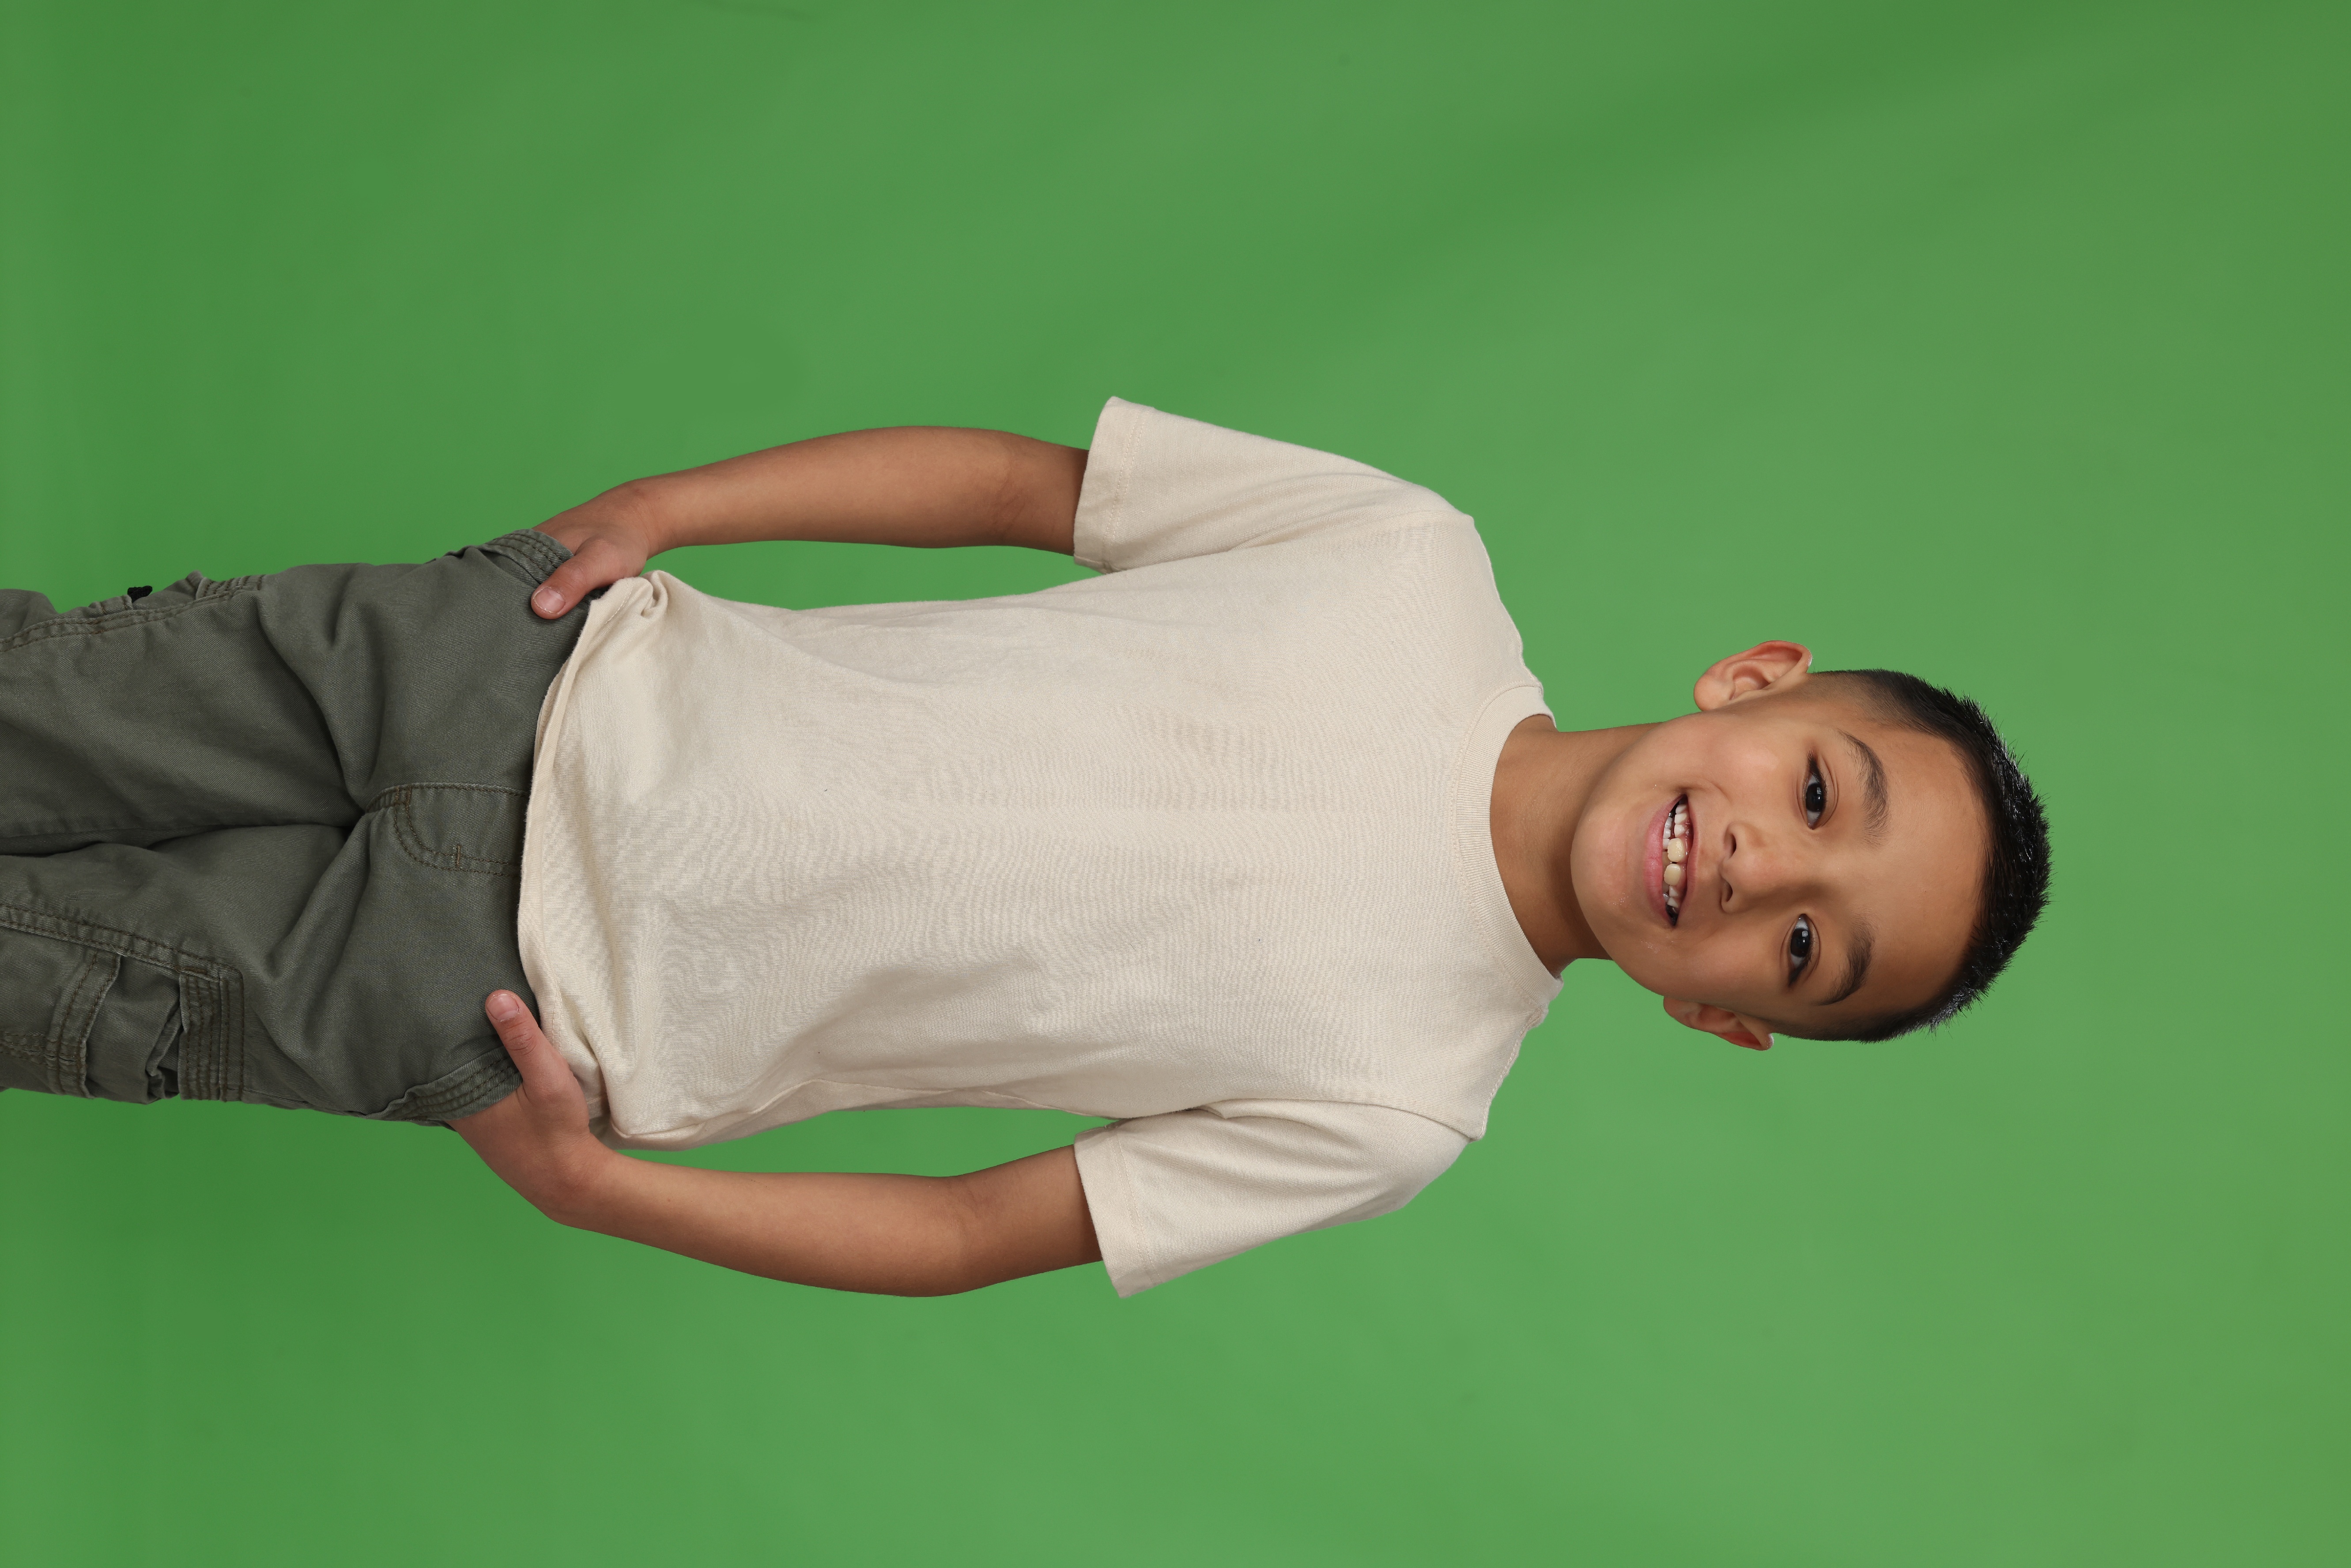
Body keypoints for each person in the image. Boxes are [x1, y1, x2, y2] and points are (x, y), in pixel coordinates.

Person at [0, 399, 2049, 1298]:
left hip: (510, 996)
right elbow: (1017, 484)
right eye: (1821, 797)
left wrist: (606, 1195)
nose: (1764, 876)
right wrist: (676, 507)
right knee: (36, 698)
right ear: (1759, 682)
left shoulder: (1401, 1105)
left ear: (1731, 1024)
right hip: (526, 667)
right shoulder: (1406, 560)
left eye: (1809, 952)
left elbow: (978, 1233)